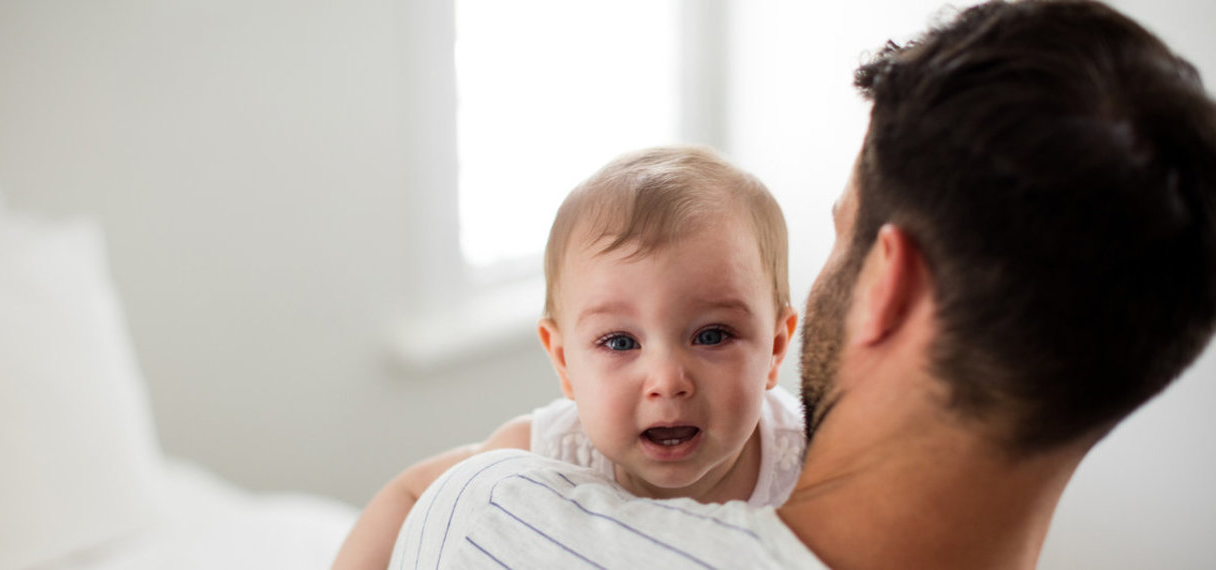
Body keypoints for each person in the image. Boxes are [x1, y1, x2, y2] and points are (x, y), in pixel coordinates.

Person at [387, 1, 1216, 568]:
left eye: (842, 227)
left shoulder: (492, 520)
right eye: (617, 339)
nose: (667, 376)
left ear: (887, 283)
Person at [333, 146, 803, 568]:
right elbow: (414, 493)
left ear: (775, 348)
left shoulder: (807, 462)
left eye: (712, 335)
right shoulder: (549, 454)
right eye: (620, 342)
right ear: (563, 361)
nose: (666, 380)